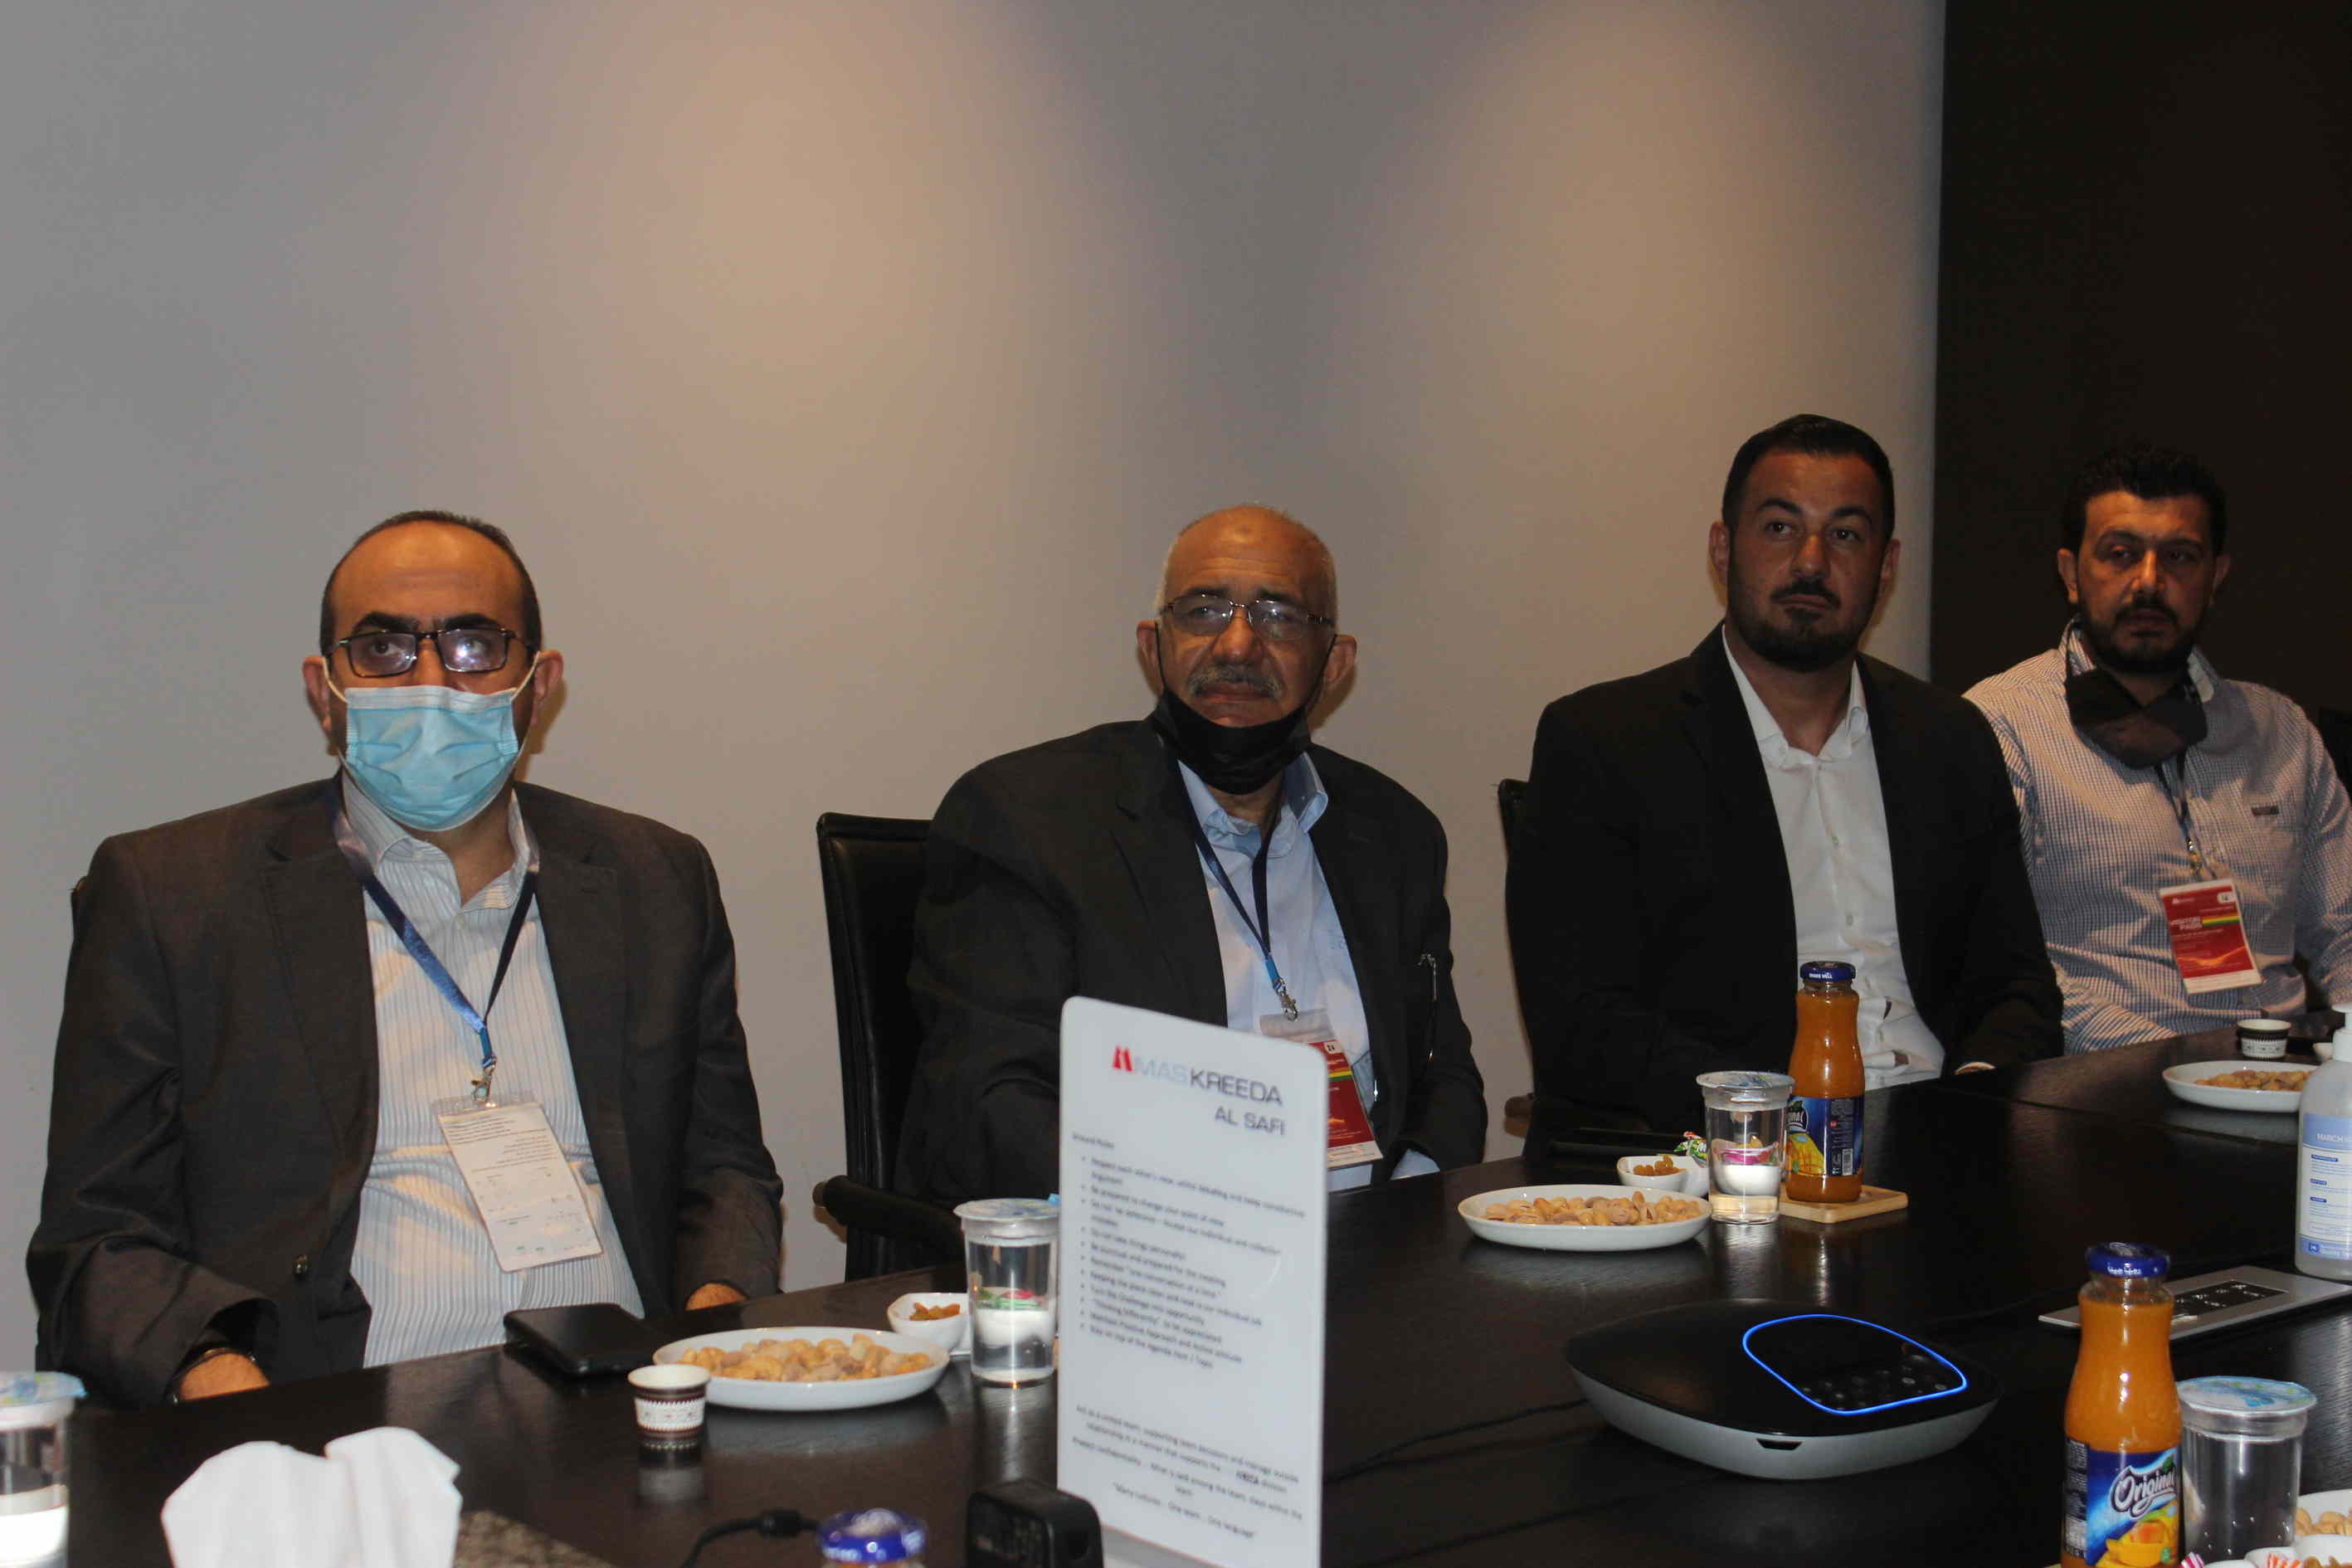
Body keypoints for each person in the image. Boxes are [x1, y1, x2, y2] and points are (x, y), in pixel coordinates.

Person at [30, 512, 782, 1406]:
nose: (429, 681)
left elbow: (724, 1168)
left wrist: (707, 1337)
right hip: (327, 1416)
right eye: (382, 648)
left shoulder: (656, 879)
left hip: (624, 1400)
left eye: (473, 645)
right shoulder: (174, 896)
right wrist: (233, 1397)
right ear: (326, 692)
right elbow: (97, 1241)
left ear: (538, 687)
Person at [895, 504, 1487, 1207]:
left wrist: (1401, 1217)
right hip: (1142, 1246)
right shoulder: (1028, 819)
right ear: (1154, 648)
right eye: (1204, 611)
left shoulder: (1394, 832)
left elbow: (1441, 1076)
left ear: (1334, 663)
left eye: (1278, 616)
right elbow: (990, 1097)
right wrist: (1196, 1233)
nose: (1237, 645)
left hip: (1370, 1246)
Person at [1507, 415, 2061, 1139]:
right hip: (1733, 1146)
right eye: (1778, 528)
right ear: (1722, 549)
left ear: (1885, 566)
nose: (1810, 562)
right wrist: (1778, 1124)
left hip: (1939, 1128)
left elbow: (2015, 983)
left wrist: (1978, 1098)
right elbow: (1581, 1019)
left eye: (1845, 534)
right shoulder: (1606, 741)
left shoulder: (1949, 739)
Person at [1967, 445, 2352, 1050]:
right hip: (2100, 1078)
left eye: (2179, 557)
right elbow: (1999, 958)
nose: (2149, 582)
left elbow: (2345, 929)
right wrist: (2177, 1062)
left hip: (2278, 1071)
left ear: (2215, 577)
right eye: (2120, 554)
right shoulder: (1999, 725)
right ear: (2071, 575)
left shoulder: (2283, 732)